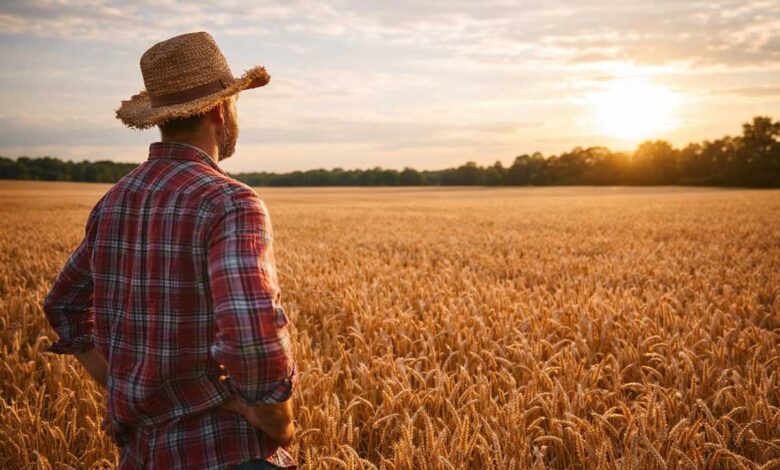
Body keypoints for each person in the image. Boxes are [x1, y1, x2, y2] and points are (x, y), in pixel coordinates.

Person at [42, 31, 297, 469]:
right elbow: (252, 329)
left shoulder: (114, 199)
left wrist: (121, 388)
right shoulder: (229, 200)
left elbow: (63, 304)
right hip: (224, 453)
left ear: (161, 116)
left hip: (141, 455)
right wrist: (277, 419)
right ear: (221, 109)